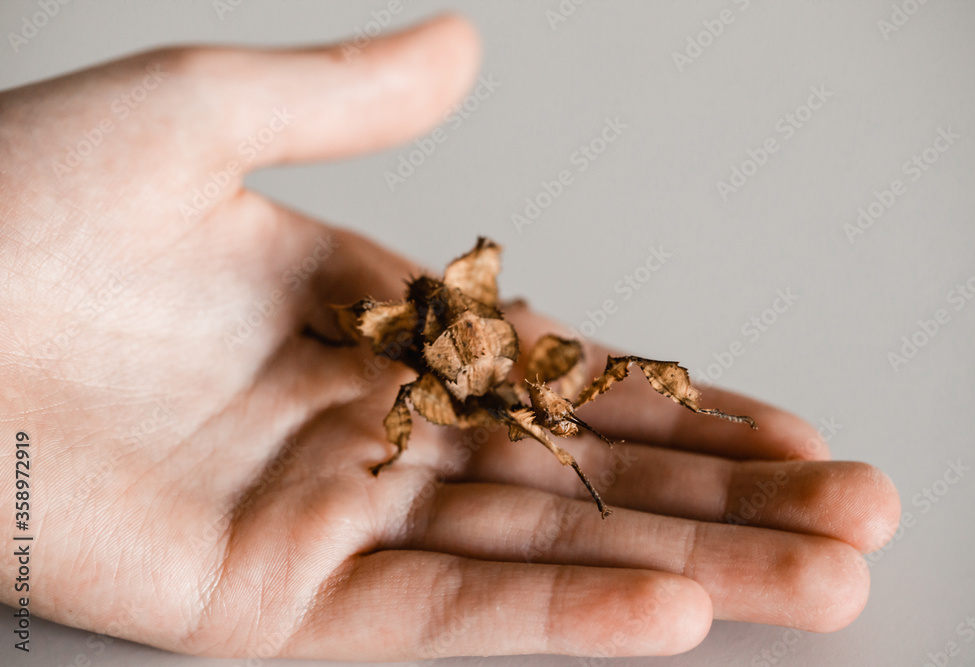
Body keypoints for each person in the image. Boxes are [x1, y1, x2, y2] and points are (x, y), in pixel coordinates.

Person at [0, 14, 900, 660]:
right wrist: (393, 453)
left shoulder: (543, 388)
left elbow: (611, 372)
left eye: (551, 429)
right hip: (437, 346)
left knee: (622, 369)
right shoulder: (442, 388)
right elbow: (408, 388)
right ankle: (330, 341)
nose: (555, 432)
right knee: (377, 351)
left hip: (491, 357)